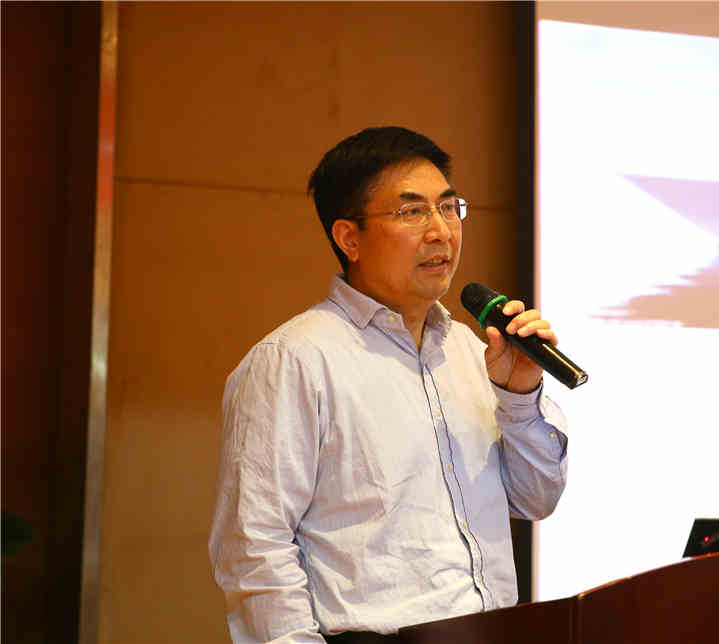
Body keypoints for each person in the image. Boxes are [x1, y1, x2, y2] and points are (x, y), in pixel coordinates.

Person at [208, 126, 569, 643]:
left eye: (448, 207)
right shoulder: (293, 360)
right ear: (349, 238)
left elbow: (537, 500)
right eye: (411, 211)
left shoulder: (474, 352)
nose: (441, 231)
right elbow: (254, 548)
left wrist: (520, 398)